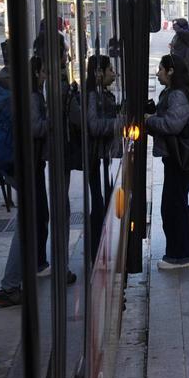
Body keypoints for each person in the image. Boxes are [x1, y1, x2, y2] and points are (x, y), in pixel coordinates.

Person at [0, 56, 75, 306]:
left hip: (33, 163)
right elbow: (35, 128)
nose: (46, 76)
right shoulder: (31, 97)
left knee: (39, 216)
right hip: (27, 165)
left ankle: (39, 263)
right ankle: (9, 287)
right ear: (35, 73)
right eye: (43, 72)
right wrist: (55, 118)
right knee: (28, 222)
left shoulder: (33, 94)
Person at [147, 54, 189, 269]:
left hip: (180, 158)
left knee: (171, 206)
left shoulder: (177, 95)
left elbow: (172, 125)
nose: (157, 73)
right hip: (177, 157)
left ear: (171, 71)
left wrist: (150, 121)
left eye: (160, 69)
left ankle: (179, 255)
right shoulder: (174, 92)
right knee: (177, 203)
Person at [74, 55, 122, 261]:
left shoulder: (102, 94)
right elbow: (93, 125)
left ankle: (99, 249)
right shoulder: (93, 95)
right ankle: (96, 250)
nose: (114, 73)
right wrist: (118, 123)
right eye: (110, 69)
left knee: (103, 202)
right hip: (96, 157)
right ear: (99, 73)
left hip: (103, 156)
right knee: (99, 203)